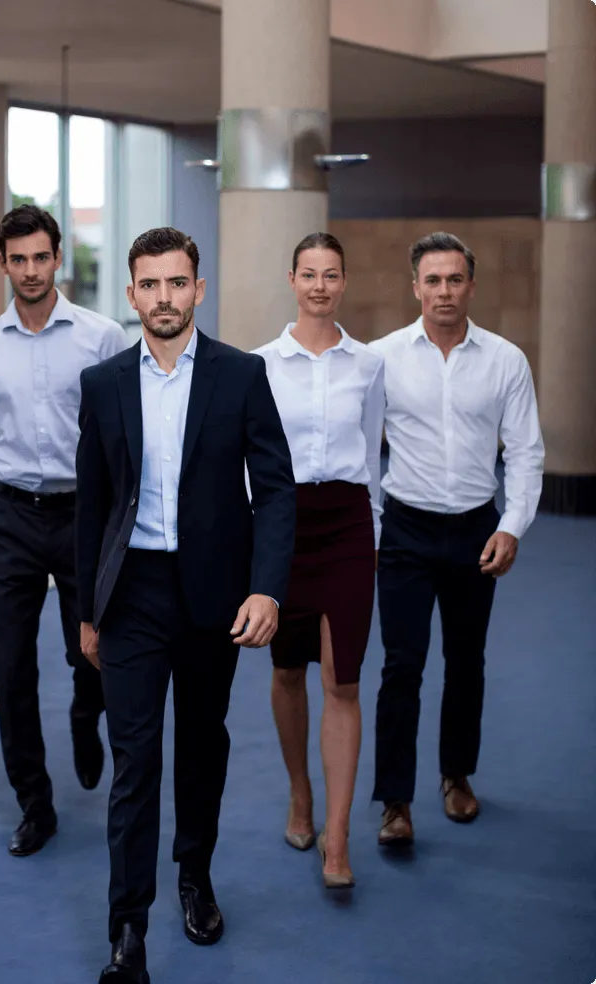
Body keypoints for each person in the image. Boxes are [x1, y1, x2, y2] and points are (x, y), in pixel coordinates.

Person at [76, 227, 296, 984]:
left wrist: (267, 586)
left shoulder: (241, 375)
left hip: (214, 596)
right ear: (131, 292)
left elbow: (274, 490)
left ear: (198, 290)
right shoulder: (103, 384)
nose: (163, 298)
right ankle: (127, 933)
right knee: (135, 761)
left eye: (178, 283)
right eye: (149, 284)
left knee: (202, 748)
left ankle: (194, 876)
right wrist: (86, 611)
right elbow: (93, 507)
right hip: (131, 595)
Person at [0, 205, 129, 856]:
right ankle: (34, 803)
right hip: (13, 516)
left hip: (86, 516)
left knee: (95, 654)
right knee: (10, 669)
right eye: (17, 259)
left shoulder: (103, 338)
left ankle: (87, 713)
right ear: (3, 264)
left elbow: (124, 438)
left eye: (40, 257)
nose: (30, 270)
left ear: (58, 258)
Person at [370, 231, 544, 846]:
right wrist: (372, 526)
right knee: (401, 666)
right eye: (433, 280)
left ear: (471, 285)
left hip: (476, 528)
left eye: (455, 279)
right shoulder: (383, 357)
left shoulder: (506, 361)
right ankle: (394, 800)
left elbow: (526, 452)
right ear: (415, 287)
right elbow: (365, 453)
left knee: (466, 662)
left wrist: (511, 525)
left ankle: (455, 775)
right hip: (405, 530)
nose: (444, 291)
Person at [254, 232, 384, 888]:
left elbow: (372, 456)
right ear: (292, 278)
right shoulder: (260, 364)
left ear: (343, 281)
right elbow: (248, 461)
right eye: (309, 274)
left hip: (348, 527)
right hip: (281, 524)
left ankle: (337, 836)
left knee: (344, 681)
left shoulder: (367, 365)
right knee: (285, 671)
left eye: (331, 274)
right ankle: (299, 791)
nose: (320, 286)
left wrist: (377, 535)